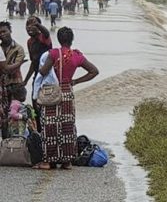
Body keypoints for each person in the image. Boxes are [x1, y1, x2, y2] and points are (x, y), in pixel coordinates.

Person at [35, 27, 98, 170]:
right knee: (67, 126)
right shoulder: (77, 56)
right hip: (67, 92)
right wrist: (76, 81)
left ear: (58, 39)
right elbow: (94, 71)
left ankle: (48, 161)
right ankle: (67, 161)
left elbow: (44, 71)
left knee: (50, 125)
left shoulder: (53, 53)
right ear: (72, 40)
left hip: (52, 92)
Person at [23, 17, 52, 132]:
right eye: (27, 25)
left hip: (49, 76)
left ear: (39, 27)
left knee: (48, 104)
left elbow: (47, 32)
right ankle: (39, 131)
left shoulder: (43, 37)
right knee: (35, 104)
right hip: (37, 76)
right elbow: (33, 62)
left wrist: (38, 25)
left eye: (33, 25)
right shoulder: (29, 42)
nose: (29, 27)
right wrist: (26, 80)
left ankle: (49, 129)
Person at [0, 21, 26, 138]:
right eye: (0, 33)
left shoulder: (18, 48)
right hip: (2, 86)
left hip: (15, 85)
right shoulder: (0, 49)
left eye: (4, 31)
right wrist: (19, 63)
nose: (2, 34)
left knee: (14, 114)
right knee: (3, 116)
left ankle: (14, 143)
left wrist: (10, 66)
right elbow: (11, 67)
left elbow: (9, 70)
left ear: (10, 31)